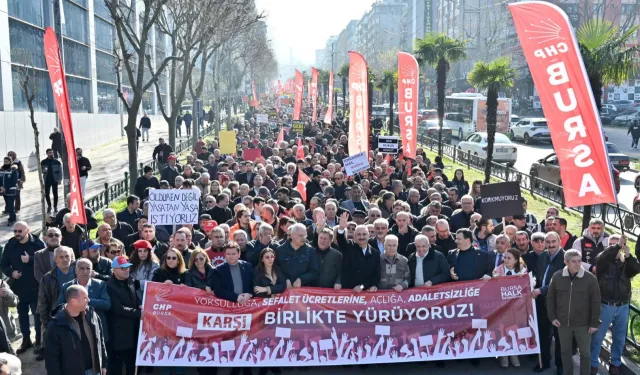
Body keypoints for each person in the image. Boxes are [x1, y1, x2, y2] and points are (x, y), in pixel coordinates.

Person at [590, 235, 640, 375]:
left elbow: (636, 269)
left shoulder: (626, 263)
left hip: (623, 306)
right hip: (605, 305)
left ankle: (615, 363)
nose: (616, 247)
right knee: (597, 337)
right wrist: (617, 245)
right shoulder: (603, 261)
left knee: (619, 338)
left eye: (619, 245)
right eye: (612, 245)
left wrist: (629, 255)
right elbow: (604, 256)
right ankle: (593, 363)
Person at [546, 249, 601, 375]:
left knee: (585, 354)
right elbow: (550, 298)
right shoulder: (557, 276)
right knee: (565, 352)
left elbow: (596, 302)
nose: (577, 264)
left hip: (584, 324)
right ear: (566, 262)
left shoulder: (590, 279)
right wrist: (552, 317)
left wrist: (594, 323)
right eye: (573, 261)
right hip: (563, 323)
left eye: (579, 261)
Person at [0, 221, 44, 355]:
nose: (17, 234)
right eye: (15, 231)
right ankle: (26, 340)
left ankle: (38, 341)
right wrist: (11, 273)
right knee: (22, 316)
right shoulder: (10, 245)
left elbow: (44, 263)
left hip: (36, 286)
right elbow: (4, 264)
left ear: (27, 230)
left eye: (20, 231)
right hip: (19, 288)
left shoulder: (38, 244)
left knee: (37, 316)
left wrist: (30, 259)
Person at [44, 285, 108, 375]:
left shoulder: (92, 315)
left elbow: (100, 341)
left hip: (96, 371)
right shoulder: (56, 325)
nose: (89, 300)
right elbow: (51, 358)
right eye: (85, 298)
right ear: (73, 301)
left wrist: (103, 365)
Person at [57, 258, 111, 346]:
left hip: (95, 327)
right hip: (74, 328)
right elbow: (59, 306)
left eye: (88, 268)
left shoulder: (100, 284)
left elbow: (107, 304)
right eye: (82, 268)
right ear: (76, 270)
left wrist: (84, 300)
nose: (85, 271)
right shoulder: (67, 286)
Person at [532, 232, 565, 374]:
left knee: (560, 337)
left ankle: (560, 366)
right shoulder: (542, 256)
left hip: (559, 303)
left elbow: (561, 282)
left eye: (553, 242)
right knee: (543, 334)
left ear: (559, 241)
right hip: (542, 303)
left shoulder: (566, 258)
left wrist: (540, 290)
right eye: (548, 242)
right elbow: (538, 275)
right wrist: (533, 281)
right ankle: (544, 362)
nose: (550, 245)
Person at [37, 246, 75, 361]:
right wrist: (46, 321)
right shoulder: (48, 278)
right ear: (55, 259)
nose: (64, 259)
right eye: (61, 257)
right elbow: (42, 301)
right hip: (58, 317)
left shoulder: (79, 272)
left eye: (67, 256)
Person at [491, 248, 526, 368]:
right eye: (504, 257)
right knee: (502, 330)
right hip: (501, 307)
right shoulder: (498, 270)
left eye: (509, 258)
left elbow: (526, 286)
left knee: (514, 330)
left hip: (517, 307)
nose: (505, 260)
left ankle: (514, 354)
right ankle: (504, 354)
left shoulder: (522, 270)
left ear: (516, 260)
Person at [106, 256, 141, 375]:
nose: (126, 270)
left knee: (132, 364)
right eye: (122, 268)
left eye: (127, 267)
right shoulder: (110, 285)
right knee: (117, 367)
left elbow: (135, 298)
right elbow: (118, 309)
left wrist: (140, 306)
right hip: (119, 334)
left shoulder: (130, 280)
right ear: (114, 270)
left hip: (133, 331)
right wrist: (139, 313)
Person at [335, 212, 380, 292]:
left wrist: (362, 287)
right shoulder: (349, 246)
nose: (361, 237)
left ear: (369, 235)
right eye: (358, 234)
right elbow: (341, 240)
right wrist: (341, 228)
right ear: (354, 237)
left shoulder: (375, 253)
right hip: (346, 292)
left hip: (364, 293)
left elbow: (375, 276)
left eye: (364, 234)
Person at [275, 223, 319, 288]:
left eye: (305, 235)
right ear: (292, 235)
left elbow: (314, 272)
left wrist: (301, 279)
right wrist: (285, 280)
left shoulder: (311, 251)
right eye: (301, 235)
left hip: (303, 291)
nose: (303, 238)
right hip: (284, 290)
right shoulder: (279, 250)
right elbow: (275, 269)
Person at [312, 222, 343, 289]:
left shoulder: (337, 255)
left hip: (330, 291)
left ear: (330, 241)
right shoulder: (311, 253)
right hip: (311, 291)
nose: (322, 241)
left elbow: (341, 271)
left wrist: (338, 281)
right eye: (321, 238)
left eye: (325, 239)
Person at [41, 149, 63, 213]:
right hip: (47, 180)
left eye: (52, 152)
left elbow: (60, 171)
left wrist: (59, 179)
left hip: (55, 180)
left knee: (55, 193)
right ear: (47, 153)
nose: (51, 154)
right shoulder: (43, 162)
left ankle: (55, 207)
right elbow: (41, 171)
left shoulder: (57, 162)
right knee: (47, 194)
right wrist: (43, 171)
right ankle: (49, 206)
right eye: (50, 153)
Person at [0, 157, 19, 226]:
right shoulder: (1, 169)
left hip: (11, 191)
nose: (5, 162)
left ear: (10, 162)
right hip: (4, 191)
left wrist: (5, 188)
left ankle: (12, 219)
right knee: (8, 205)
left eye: (7, 161)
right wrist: (1, 186)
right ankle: (11, 217)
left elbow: (14, 181)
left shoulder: (13, 170)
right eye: (4, 161)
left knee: (11, 205)